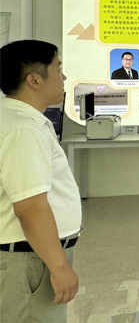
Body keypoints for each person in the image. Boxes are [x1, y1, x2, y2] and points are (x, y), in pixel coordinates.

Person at [0, 40, 82, 322]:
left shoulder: (18, 119)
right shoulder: (23, 130)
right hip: (30, 262)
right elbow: (31, 207)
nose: (64, 77)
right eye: (58, 69)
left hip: (32, 254)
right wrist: (58, 266)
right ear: (34, 80)